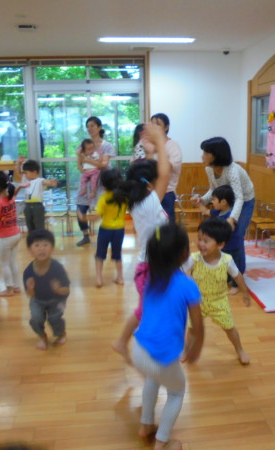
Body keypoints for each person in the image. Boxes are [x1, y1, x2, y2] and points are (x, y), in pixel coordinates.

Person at [132, 222, 204, 449]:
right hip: (162, 356)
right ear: (184, 254)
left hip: (139, 350)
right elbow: (198, 327)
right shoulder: (188, 285)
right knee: (177, 391)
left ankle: (146, 425)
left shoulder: (150, 278)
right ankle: (162, 442)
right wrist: (194, 350)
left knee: (153, 379)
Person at [111, 124, 169, 363]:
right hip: (150, 269)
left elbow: (150, 174)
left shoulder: (141, 201)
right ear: (149, 185)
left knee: (154, 309)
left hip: (155, 267)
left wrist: (150, 153)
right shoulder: (149, 204)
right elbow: (164, 174)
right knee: (145, 310)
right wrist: (160, 140)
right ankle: (124, 342)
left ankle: (142, 340)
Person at [182, 217, 251, 365]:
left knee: (229, 328)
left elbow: (237, 276)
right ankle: (187, 350)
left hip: (219, 301)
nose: (200, 243)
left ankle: (239, 350)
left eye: (206, 241)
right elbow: (183, 272)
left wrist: (245, 292)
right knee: (192, 329)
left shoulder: (226, 260)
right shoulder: (194, 258)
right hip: (198, 302)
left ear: (220, 244)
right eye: (199, 239)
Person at [194, 137, 255, 280]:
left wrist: (232, 219)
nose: (202, 156)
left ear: (216, 155)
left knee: (237, 236)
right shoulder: (209, 169)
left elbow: (239, 198)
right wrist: (202, 199)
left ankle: (238, 277)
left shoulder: (232, 170)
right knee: (225, 237)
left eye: (206, 153)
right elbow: (213, 190)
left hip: (245, 200)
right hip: (229, 200)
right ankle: (227, 270)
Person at [23, 229, 71, 350]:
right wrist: (30, 289)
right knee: (36, 319)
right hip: (37, 299)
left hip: (57, 299)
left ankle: (61, 334)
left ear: (52, 248)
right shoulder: (28, 271)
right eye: (37, 245)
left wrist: (59, 289)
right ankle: (42, 336)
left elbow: (67, 290)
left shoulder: (57, 268)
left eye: (45, 245)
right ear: (30, 250)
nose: (41, 249)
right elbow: (30, 295)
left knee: (55, 318)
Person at [75, 116, 115, 247]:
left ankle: (108, 237)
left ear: (99, 127)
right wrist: (84, 170)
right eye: (88, 126)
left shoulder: (107, 146)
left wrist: (88, 161)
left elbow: (104, 165)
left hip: (102, 182)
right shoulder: (82, 145)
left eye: (92, 126)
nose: (89, 128)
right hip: (87, 182)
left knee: (104, 210)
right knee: (80, 208)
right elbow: (79, 164)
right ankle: (85, 235)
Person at [196, 184, 242, 294]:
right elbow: (206, 211)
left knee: (234, 265)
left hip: (233, 246)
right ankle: (226, 279)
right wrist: (198, 204)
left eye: (214, 199)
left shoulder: (232, 215)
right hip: (222, 246)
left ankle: (235, 285)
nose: (212, 202)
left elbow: (229, 229)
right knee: (223, 264)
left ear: (223, 202)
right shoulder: (219, 212)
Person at [94, 168, 127, 287]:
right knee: (117, 254)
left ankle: (99, 279)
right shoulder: (124, 197)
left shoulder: (103, 198)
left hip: (105, 229)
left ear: (104, 184)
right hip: (119, 230)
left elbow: (97, 216)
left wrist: (84, 218)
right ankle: (120, 278)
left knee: (100, 254)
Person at [151, 113, 182, 222]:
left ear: (166, 127)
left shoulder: (172, 145)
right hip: (150, 192)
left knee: (166, 225)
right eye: (152, 124)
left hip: (167, 192)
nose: (154, 126)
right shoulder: (149, 145)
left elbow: (168, 167)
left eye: (158, 124)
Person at [14, 157, 58, 232]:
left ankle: (40, 237)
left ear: (34, 172)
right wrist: (19, 163)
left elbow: (46, 182)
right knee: (30, 226)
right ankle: (32, 237)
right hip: (27, 206)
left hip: (37, 206)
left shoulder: (40, 180)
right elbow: (18, 173)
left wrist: (51, 182)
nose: (25, 175)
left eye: (27, 173)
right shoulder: (26, 180)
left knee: (39, 226)